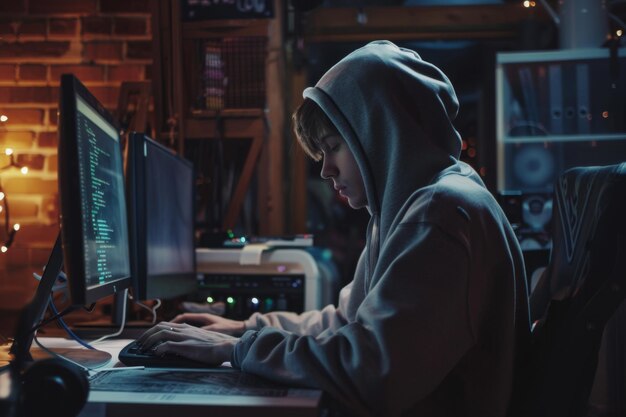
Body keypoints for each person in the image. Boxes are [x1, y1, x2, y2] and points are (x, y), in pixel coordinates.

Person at [136, 40, 531, 417]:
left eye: (333, 146)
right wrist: (243, 329)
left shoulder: (438, 213)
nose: (325, 170)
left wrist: (238, 349)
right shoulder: (407, 209)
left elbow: (372, 372)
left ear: (381, 130)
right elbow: (345, 323)